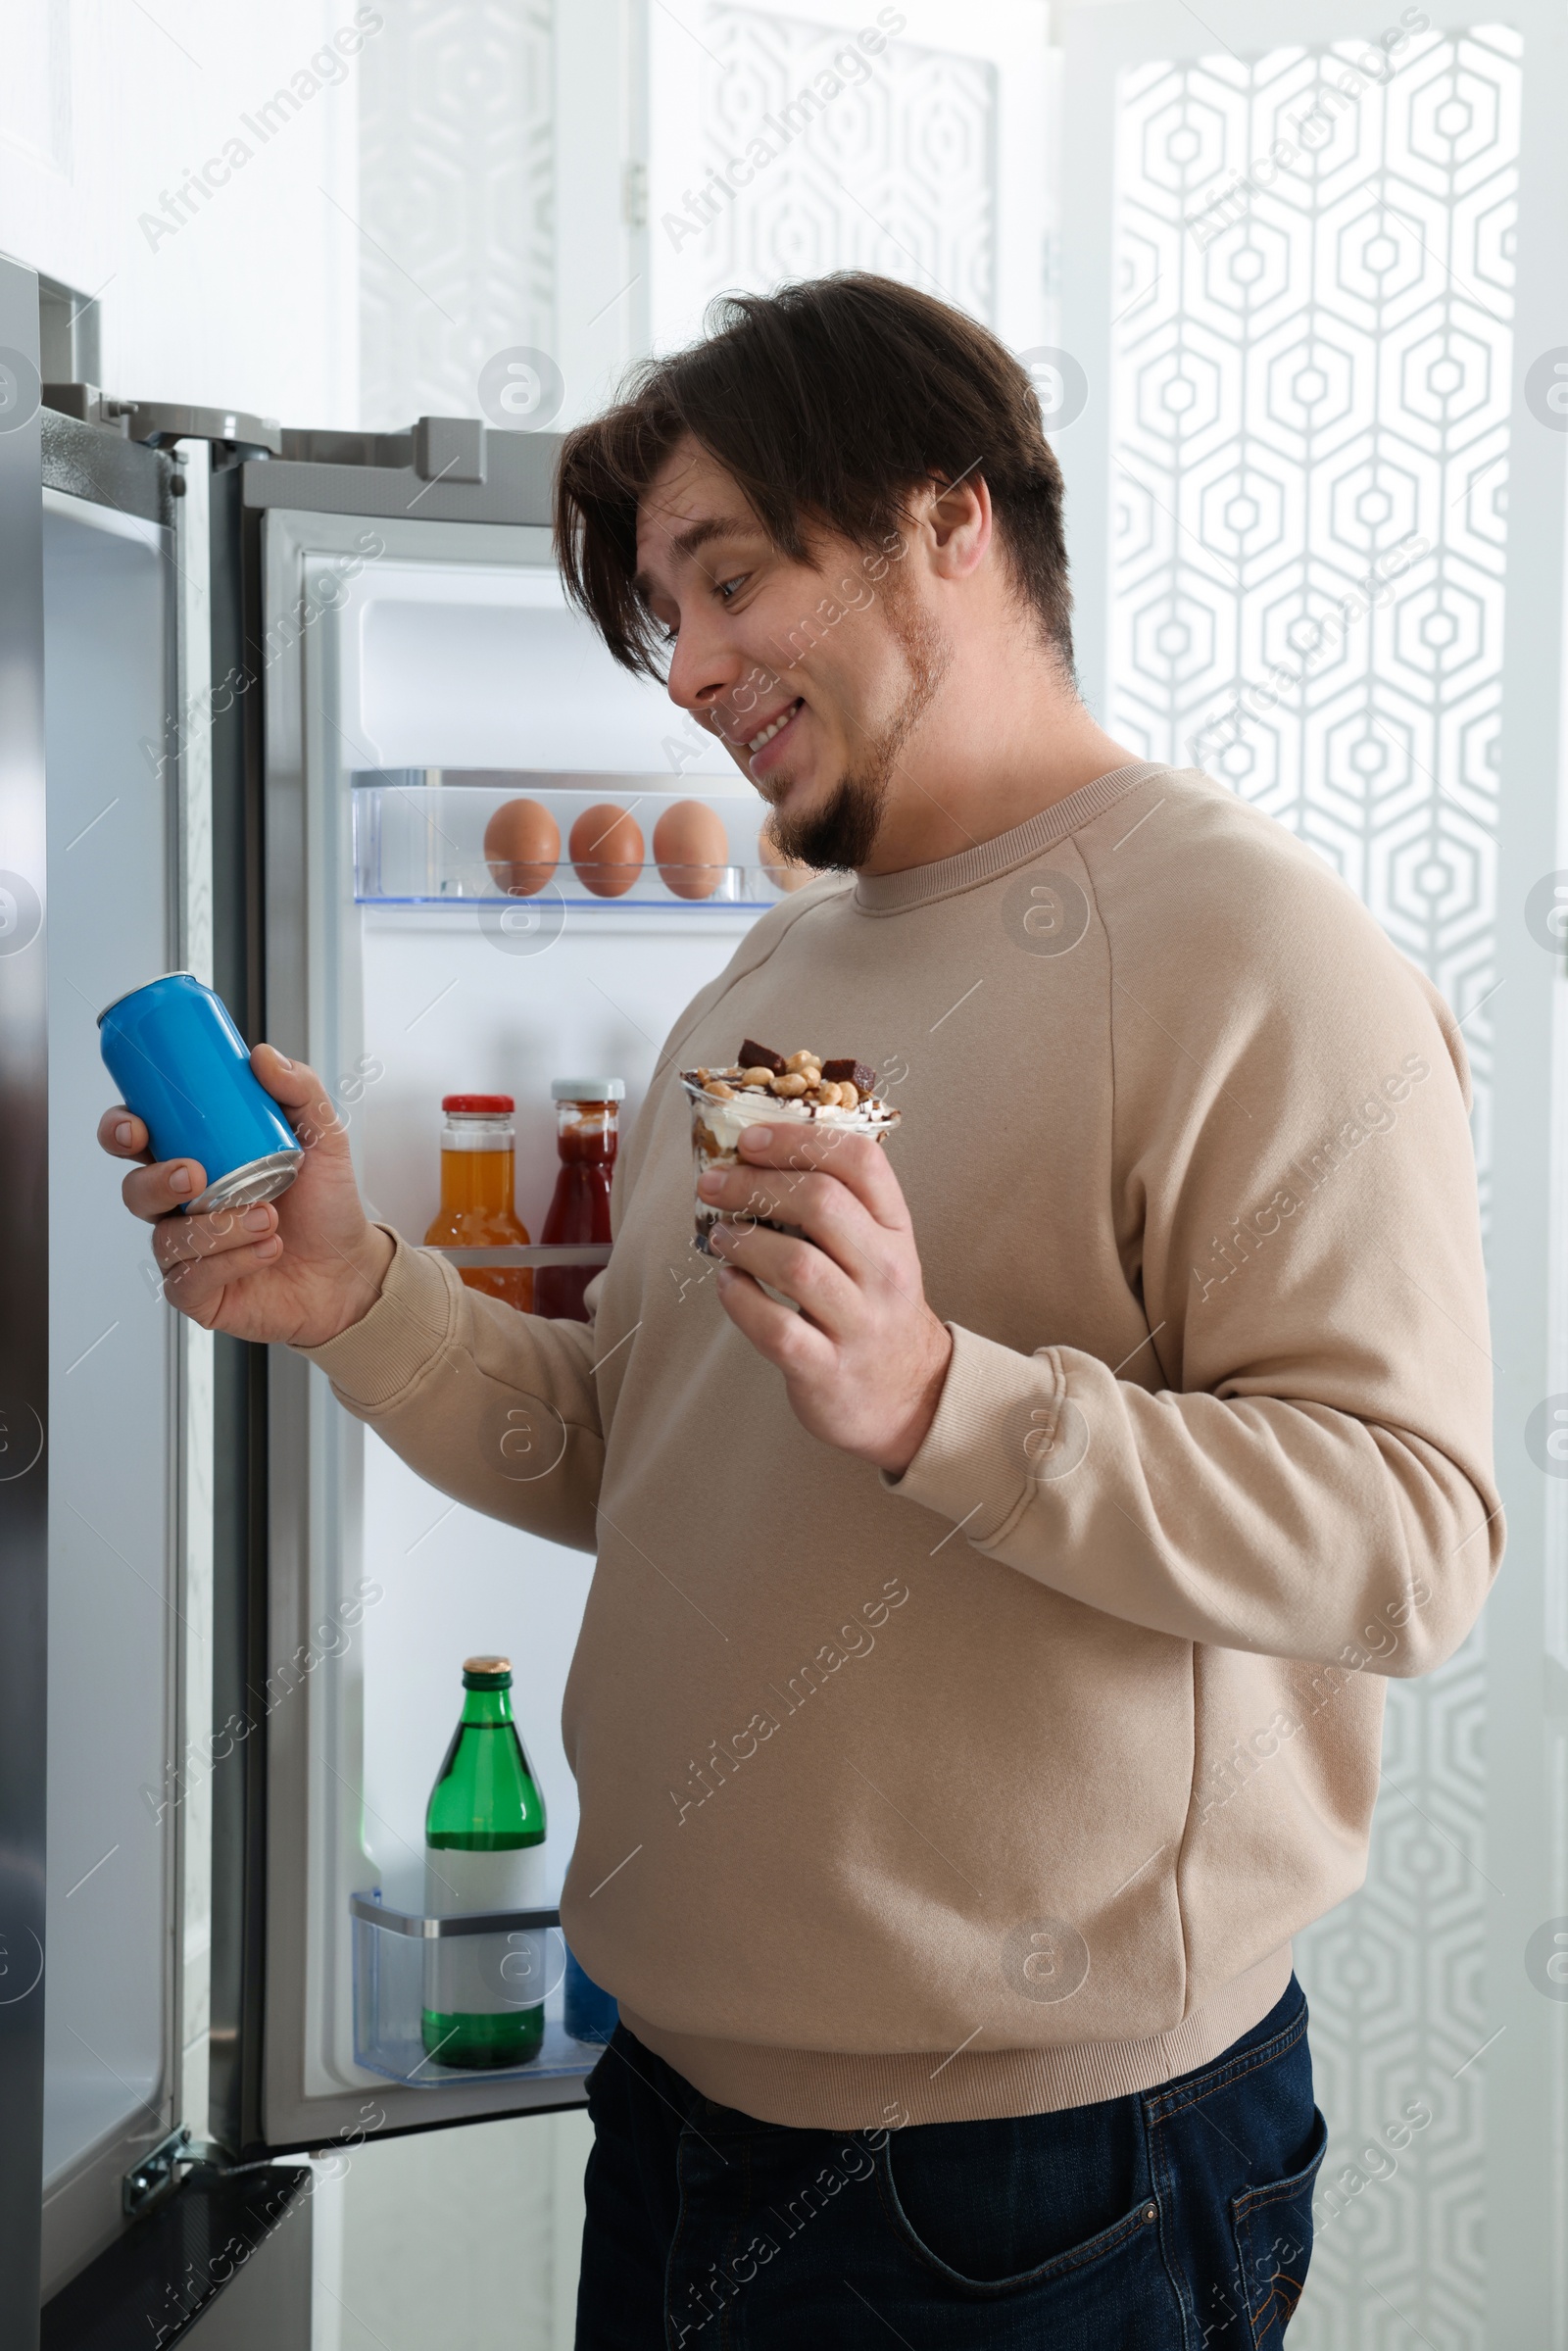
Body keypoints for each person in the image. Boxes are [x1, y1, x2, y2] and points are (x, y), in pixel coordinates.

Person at [101, 273, 1501, 2346]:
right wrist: (358, 1296)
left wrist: (942, 1394)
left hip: (1035, 2186)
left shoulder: (1254, 955)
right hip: (673, 2115)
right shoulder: (765, 974)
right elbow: (646, 1449)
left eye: (726, 581)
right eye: (660, 619)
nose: (687, 670)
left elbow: (1408, 1543)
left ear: (946, 515)